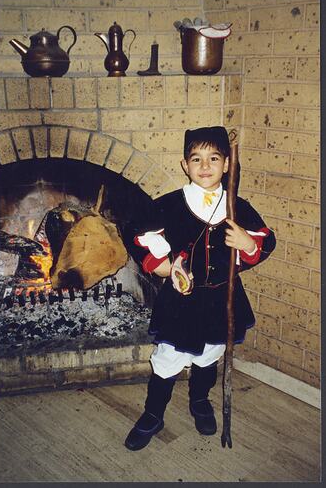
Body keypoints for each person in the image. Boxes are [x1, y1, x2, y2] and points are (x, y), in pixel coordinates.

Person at [122, 126, 276, 451]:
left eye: (214, 158)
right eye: (197, 159)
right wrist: (161, 264)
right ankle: (153, 413)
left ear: (227, 164)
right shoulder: (172, 204)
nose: (205, 166)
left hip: (221, 299)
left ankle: (200, 401)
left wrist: (248, 243)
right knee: (168, 358)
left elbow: (266, 239)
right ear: (184, 165)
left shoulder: (236, 206)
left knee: (210, 356)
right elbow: (134, 231)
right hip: (181, 301)